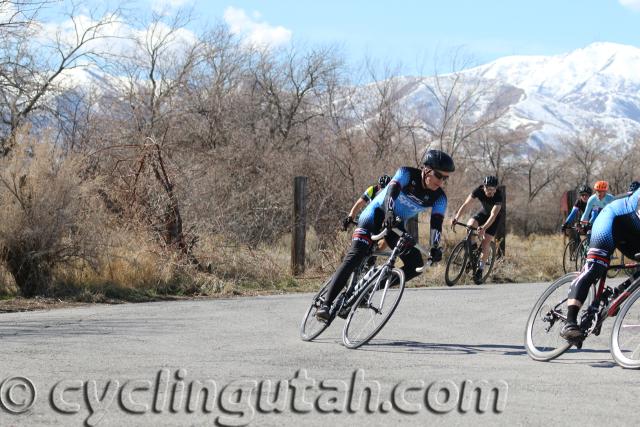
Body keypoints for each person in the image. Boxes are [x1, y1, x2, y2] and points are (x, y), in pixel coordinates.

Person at [315, 149, 455, 321]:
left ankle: (364, 290)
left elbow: (436, 224)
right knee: (356, 255)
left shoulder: (440, 197)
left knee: (416, 264)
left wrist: (435, 246)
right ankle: (326, 305)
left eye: (445, 178)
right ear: (426, 170)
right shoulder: (406, 173)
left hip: (394, 225)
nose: (441, 182)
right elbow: (391, 192)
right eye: (439, 176)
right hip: (375, 214)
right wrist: (389, 211)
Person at [560, 186, 640, 341]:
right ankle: (570, 321)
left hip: (633, 233)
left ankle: (615, 294)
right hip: (611, 221)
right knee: (595, 268)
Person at [450, 175, 503, 284]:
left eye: (493, 189)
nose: (491, 192)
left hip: (493, 219)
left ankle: (480, 269)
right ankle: (473, 250)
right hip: (483, 213)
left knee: (485, 242)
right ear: (483, 187)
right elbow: (466, 204)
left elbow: (493, 215)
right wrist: (456, 218)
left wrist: (483, 228)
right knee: (470, 225)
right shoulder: (478, 191)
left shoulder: (498, 196)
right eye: (488, 189)